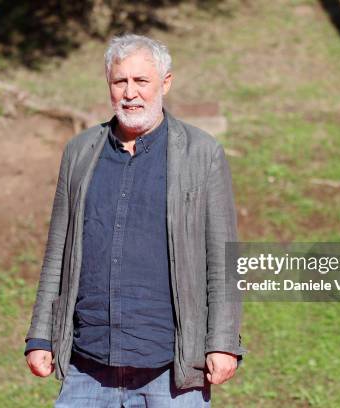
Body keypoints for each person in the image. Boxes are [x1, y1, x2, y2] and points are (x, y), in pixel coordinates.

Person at [24, 33, 245, 407]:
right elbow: (56, 254)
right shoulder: (79, 153)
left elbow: (224, 257)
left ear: (165, 83)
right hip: (87, 366)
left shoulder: (201, 154)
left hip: (172, 372)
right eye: (119, 81)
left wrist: (223, 343)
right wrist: (40, 336)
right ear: (109, 85)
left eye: (141, 81)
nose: (130, 93)